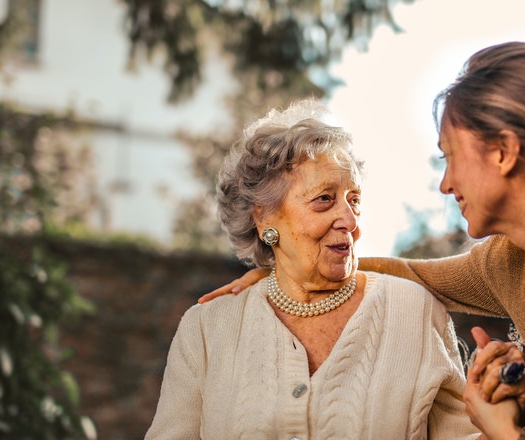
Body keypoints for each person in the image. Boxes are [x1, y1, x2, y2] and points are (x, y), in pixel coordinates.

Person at [199, 42, 525, 439]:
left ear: (504, 153)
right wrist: (286, 267)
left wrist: (506, 435)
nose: (445, 184)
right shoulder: (513, 261)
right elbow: (410, 273)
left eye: (449, 155)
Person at [145, 99, 495, 439]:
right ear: (265, 217)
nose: (349, 219)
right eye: (324, 199)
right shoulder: (206, 330)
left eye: (354, 200)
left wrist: (498, 424)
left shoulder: (415, 311)